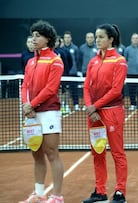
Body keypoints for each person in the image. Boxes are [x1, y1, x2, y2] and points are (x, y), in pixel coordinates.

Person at [19, 20, 65, 203]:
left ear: (48, 39)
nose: (34, 38)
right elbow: (25, 86)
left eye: (38, 35)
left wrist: (32, 105)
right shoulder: (30, 62)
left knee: (52, 153)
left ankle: (57, 196)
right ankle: (39, 193)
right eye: (33, 35)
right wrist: (26, 105)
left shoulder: (55, 60)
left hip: (49, 113)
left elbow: (50, 89)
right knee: (36, 153)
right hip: (31, 113)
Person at [82, 23, 128, 203]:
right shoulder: (93, 61)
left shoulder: (119, 61)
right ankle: (100, 191)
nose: (97, 40)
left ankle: (120, 191)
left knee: (117, 153)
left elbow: (116, 90)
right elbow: (87, 86)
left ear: (111, 39)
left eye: (101, 37)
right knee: (97, 152)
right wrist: (90, 107)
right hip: (94, 115)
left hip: (112, 113)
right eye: (96, 36)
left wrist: (96, 106)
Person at [124, 33, 138, 111]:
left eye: (137, 38)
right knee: (132, 90)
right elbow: (125, 60)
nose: (135, 40)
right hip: (130, 74)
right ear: (131, 40)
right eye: (134, 38)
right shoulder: (127, 49)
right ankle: (133, 104)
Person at [63, 31, 81, 111]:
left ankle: (76, 104)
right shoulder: (62, 49)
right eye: (65, 37)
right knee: (65, 91)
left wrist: (74, 69)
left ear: (71, 38)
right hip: (65, 74)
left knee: (74, 90)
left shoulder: (75, 48)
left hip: (73, 73)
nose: (67, 39)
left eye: (68, 37)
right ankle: (65, 105)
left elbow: (77, 60)